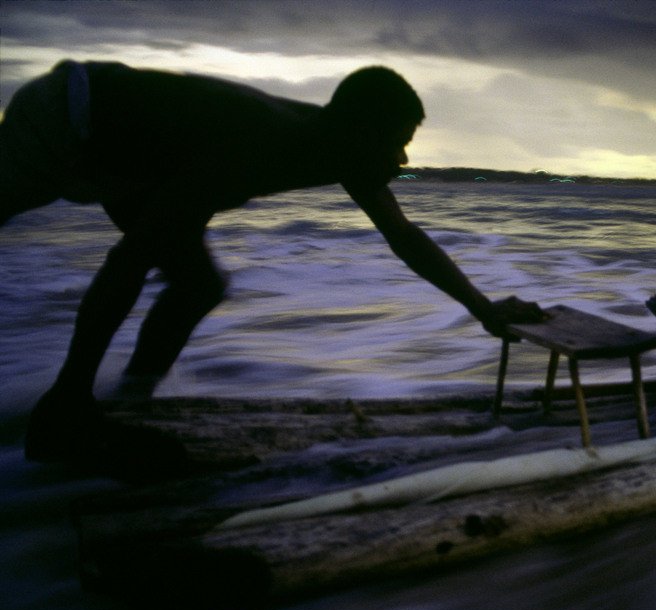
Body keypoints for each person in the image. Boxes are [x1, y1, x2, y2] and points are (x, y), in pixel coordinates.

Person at [1, 60, 543, 464]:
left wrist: (484, 309)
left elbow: (405, 238)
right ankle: (66, 408)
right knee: (154, 261)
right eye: (397, 145)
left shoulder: (339, 145)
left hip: (133, 154)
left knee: (197, 285)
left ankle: (129, 405)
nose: (402, 161)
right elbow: (130, 260)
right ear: (360, 133)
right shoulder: (259, 140)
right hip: (67, 117)